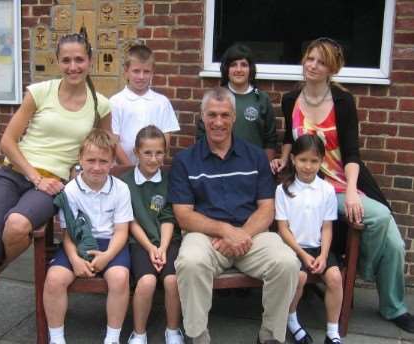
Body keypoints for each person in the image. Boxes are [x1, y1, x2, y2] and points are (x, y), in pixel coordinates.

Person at [0, 28, 112, 339]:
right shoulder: (41, 91)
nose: (73, 67)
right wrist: (34, 176)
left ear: (90, 61)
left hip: (53, 184)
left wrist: (128, 160)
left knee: (17, 226)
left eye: (80, 60)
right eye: (67, 60)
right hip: (14, 173)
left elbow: (103, 146)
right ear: (58, 61)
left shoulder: (100, 104)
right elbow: (7, 141)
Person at [270, 37, 414, 333]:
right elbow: (289, 137)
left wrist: (351, 192)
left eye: (321, 62)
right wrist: (283, 159)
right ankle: (371, 284)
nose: (312, 65)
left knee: (391, 238)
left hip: (343, 182)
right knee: (386, 228)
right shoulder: (290, 99)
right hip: (311, 184)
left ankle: (387, 301)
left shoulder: (342, 101)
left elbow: (351, 152)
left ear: (332, 69)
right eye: (310, 58)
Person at [168, 87, 300, 344]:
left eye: (225, 115)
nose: (218, 122)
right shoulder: (185, 160)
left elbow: (266, 208)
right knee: (190, 262)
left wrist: (240, 235)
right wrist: (225, 231)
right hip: (205, 237)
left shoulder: (254, 157)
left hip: (251, 234)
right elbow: (183, 215)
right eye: (212, 115)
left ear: (234, 118)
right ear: (202, 117)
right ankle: (197, 336)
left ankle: (270, 336)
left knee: (286, 262)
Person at [43, 129, 133, 344]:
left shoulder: (121, 189)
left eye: (104, 161)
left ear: (112, 162)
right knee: (54, 279)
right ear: (80, 159)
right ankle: (56, 338)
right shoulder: (71, 191)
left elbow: (122, 231)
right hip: (77, 242)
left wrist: (107, 256)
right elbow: (67, 233)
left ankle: (112, 337)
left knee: (120, 279)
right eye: (90, 160)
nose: (96, 167)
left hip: (111, 243)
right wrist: (74, 259)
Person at [276, 135, 342, 344]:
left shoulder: (327, 190)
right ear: (293, 159)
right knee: (300, 278)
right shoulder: (283, 190)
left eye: (314, 161)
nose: (308, 166)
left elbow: (327, 227)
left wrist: (323, 255)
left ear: (321, 161)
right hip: (293, 248)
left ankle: (332, 332)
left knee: (335, 278)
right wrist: (303, 255)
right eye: (303, 160)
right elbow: (283, 229)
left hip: (318, 248)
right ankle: (292, 320)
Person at [121, 125, 184, 344]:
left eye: (159, 153)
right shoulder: (125, 183)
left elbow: (168, 217)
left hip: (168, 241)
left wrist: (163, 248)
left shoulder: (170, 179)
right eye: (147, 153)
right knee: (147, 282)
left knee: (173, 280)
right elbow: (131, 221)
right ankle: (139, 332)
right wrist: (150, 248)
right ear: (137, 152)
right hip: (139, 242)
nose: (153, 158)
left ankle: (173, 330)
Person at [197, 44, 277, 160]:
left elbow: (270, 139)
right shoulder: (215, 98)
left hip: (253, 165)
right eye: (233, 65)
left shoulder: (261, 98)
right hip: (218, 164)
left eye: (244, 65)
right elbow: (201, 135)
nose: (239, 70)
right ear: (226, 69)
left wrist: (265, 165)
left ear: (250, 69)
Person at [109, 44, 180, 165]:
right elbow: (113, 141)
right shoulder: (115, 102)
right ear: (126, 72)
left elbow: (166, 138)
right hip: (123, 169)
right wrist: (130, 168)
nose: (141, 77)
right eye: (136, 71)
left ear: (152, 73)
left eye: (146, 72)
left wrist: (154, 161)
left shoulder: (162, 102)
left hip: (153, 167)